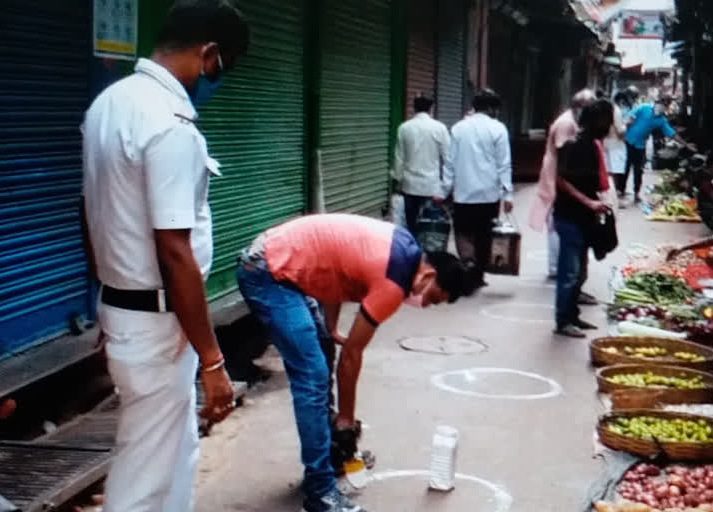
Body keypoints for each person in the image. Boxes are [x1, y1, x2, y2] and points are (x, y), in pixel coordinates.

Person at [80, 2, 249, 510]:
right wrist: (213, 360)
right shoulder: (170, 124)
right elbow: (174, 251)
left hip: (131, 311)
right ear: (210, 55)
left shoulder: (108, 105)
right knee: (145, 472)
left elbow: (88, 211)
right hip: (156, 323)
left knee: (176, 448)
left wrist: (105, 297)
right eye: (225, 67)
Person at [236, 214, 482, 512]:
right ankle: (321, 495)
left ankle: (330, 457)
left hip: (279, 261)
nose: (425, 305)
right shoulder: (393, 282)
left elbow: (337, 272)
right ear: (429, 275)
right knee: (313, 378)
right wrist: (346, 422)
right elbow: (352, 358)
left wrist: (330, 327)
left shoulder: (405, 250)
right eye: (433, 298)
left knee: (323, 352)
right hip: (268, 272)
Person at [553, 99, 614, 338]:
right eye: (607, 120)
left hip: (583, 217)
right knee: (569, 271)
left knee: (580, 271)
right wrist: (588, 202)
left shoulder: (592, 143)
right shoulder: (576, 145)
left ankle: (573, 315)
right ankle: (563, 320)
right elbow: (561, 179)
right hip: (569, 216)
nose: (610, 126)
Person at [442, 88, 513, 282]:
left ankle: (468, 263)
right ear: (491, 108)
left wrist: (443, 190)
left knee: (463, 232)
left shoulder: (458, 128)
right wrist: (508, 195)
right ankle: (478, 272)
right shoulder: (498, 129)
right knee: (484, 234)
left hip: (463, 194)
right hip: (489, 195)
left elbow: (450, 163)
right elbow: (504, 164)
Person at [529, 89, 596, 280]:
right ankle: (556, 266)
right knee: (556, 224)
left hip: (558, 176)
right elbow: (564, 154)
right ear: (580, 107)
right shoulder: (566, 123)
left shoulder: (571, 120)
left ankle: (558, 266)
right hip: (556, 177)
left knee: (557, 223)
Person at [392, 93, 451, 235]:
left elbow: (399, 159)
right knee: (430, 227)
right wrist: (446, 187)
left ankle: (413, 254)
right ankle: (427, 254)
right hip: (431, 187)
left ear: (414, 108)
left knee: (411, 226)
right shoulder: (439, 128)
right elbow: (448, 158)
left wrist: (396, 181)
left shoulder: (404, 128)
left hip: (409, 187)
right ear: (431, 108)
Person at [620, 96, 695, 203]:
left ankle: (636, 193)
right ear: (657, 102)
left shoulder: (661, 120)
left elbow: (671, 134)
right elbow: (628, 117)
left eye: (666, 105)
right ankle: (621, 191)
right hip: (627, 141)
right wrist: (627, 123)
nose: (663, 107)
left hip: (640, 146)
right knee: (625, 168)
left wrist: (686, 144)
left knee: (638, 170)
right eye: (662, 103)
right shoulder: (643, 108)